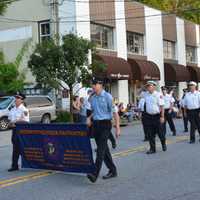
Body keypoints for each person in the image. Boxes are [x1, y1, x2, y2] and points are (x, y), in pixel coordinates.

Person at [87, 77, 120, 183]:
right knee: (104, 150)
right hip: (96, 125)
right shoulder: (92, 98)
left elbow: (115, 113)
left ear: (100, 85)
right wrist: (89, 118)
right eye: (92, 84)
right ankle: (113, 170)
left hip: (105, 125)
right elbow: (94, 111)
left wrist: (117, 128)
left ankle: (94, 174)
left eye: (95, 84)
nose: (93, 86)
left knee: (100, 151)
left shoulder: (108, 97)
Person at [8, 93, 30, 172]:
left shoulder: (24, 110)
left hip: (21, 131)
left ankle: (32, 162)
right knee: (15, 148)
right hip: (14, 130)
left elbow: (26, 121)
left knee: (22, 149)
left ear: (22, 100)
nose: (16, 99)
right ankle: (14, 165)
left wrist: (17, 122)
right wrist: (10, 123)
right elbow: (9, 120)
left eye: (18, 98)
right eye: (16, 98)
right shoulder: (12, 109)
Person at [143, 81, 166, 154]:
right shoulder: (146, 95)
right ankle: (152, 149)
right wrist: (144, 87)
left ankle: (163, 143)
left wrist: (162, 117)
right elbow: (139, 92)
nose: (148, 87)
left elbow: (162, 106)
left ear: (154, 87)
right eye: (147, 86)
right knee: (150, 134)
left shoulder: (158, 95)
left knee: (160, 133)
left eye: (150, 86)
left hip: (157, 116)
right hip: (149, 116)